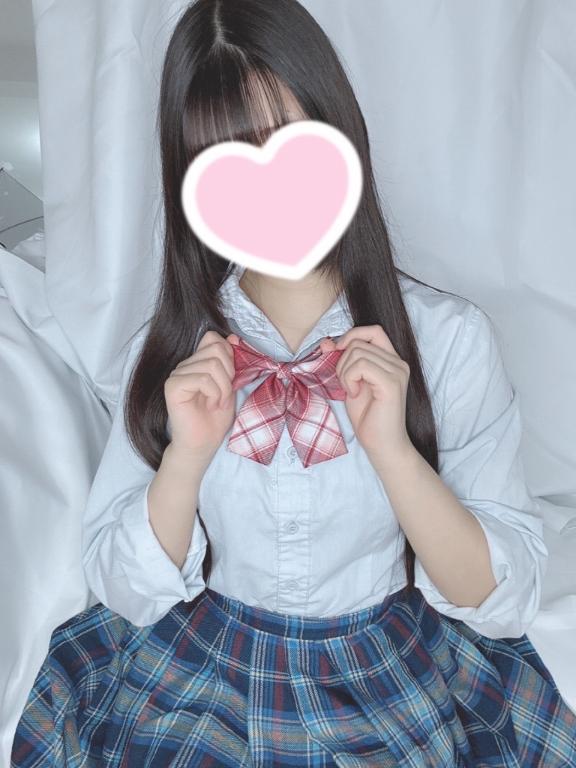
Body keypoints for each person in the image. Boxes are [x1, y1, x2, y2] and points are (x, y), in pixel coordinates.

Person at [11, 0, 576, 765]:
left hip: (384, 664)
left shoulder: (447, 341)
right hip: (206, 663)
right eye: (227, 157)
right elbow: (126, 587)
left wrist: (395, 454)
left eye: (290, 140)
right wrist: (185, 459)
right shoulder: (177, 352)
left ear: (341, 135)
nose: (271, 190)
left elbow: (501, 598)